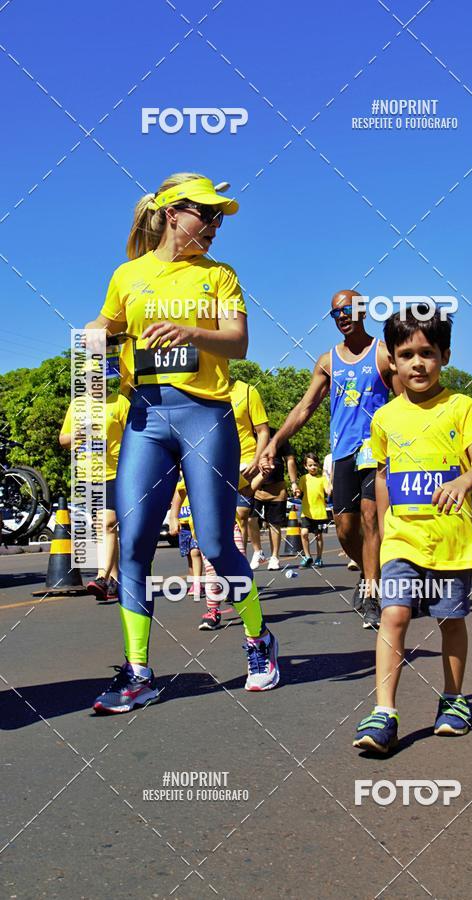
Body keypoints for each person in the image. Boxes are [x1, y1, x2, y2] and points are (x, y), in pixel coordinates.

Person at [85, 172, 279, 713]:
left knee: (216, 545)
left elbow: (239, 341)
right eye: (207, 215)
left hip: (205, 416)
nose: (216, 226)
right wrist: (95, 333)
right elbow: (105, 322)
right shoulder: (128, 275)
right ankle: (139, 671)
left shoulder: (220, 276)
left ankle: (259, 642)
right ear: (173, 213)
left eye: (219, 217)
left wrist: (192, 332)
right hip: (146, 418)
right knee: (135, 543)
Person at [353, 308, 472, 754]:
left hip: (450, 540)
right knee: (393, 615)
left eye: (427, 353)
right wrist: (380, 524)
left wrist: (464, 480)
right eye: (406, 353)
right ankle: (384, 713)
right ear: (391, 360)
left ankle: (453, 701)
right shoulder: (385, 418)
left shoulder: (461, 406)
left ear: (445, 356)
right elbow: (381, 475)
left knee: (450, 621)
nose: (418, 363)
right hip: (401, 539)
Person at [261, 290, 392, 628]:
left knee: (370, 518)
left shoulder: (383, 353)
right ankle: (367, 573)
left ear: (363, 310)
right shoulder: (328, 360)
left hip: (376, 451)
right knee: (346, 529)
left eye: (348, 310)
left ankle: (374, 596)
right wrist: (276, 441)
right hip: (344, 453)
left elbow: (405, 400)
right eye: (336, 314)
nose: (343, 317)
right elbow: (305, 407)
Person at [59, 378, 130, 602]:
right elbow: (63, 440)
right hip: (88, 477)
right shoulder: (77, 406)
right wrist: (79, 434)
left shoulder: (119, 402)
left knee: (107, 523)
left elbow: (137, 436)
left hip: (116, 473)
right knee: (105, 529)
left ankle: (101, 577)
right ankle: (115, 582)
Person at [229, 377, 270, 563]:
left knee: (241, 514)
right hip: (215, 462)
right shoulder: (204, 389)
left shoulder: (247, 391)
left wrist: (257, 459)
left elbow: (262, 430)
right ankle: (219, 571)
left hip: (245, 463)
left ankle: (240, 565)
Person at [251, 426, 298, 570]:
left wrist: (294, 483)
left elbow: (289, 459)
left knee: (274, 524)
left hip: (277, 488)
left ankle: (274, 556)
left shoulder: (278, 435)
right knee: (250, 518)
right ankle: (257, 551)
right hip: (255, 487)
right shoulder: (247, 435)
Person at [169, 475, 202, 599]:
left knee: (195, 553)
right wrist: (173, 517)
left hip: (194, 522)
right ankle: (195, 582)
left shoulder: (193, 475)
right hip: (183, 524)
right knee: (189, 555)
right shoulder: (177, 481)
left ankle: (198, 584)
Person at [295, 452, 331, 568]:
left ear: (318, 465)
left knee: (319, 536)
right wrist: (297, 491)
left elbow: (327, 489)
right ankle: (307, 556)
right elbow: (299, 491)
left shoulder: (322, 479)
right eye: (310, 465)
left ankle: (319, 558)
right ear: (305, 466)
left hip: (320, 513)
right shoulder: (303, 478)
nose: (313, 467)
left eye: (315, 465)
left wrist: (330, 488)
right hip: (306, 512)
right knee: (304, 533)